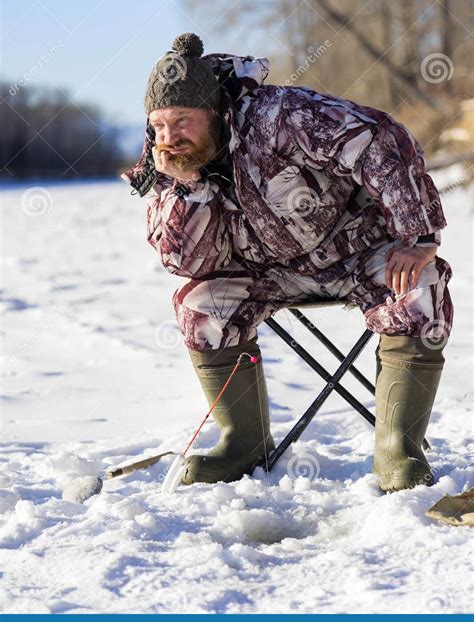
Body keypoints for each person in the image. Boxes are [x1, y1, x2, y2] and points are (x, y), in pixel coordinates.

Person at [121, 33, 453, 492]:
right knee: (200, 303)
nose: (168, 138)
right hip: (267, 275)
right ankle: (242, 445)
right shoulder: (167, 169)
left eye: (182, 120)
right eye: (157, 126)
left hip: (359, 252)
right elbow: (186, 260)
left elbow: (380, 140)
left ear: (213, 111)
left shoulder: (280, 115)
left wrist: (416, 234)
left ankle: (399, 450)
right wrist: (191, 189)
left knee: (420, 285)